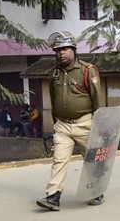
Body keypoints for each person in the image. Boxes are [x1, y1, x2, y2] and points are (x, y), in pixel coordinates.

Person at [36, 31, 104, 211]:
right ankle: (53, 197)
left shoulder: (88, 70)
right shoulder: (54, 73)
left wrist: (99, 126)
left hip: (85, 123)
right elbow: (53, 97)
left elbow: (98, 99)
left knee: (91, 160)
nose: (61, 53)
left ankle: (97, 191)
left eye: (65, 49)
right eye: (58, 50)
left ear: (73, 50)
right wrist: (55, 122)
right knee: (59, 160)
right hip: (63, 126)